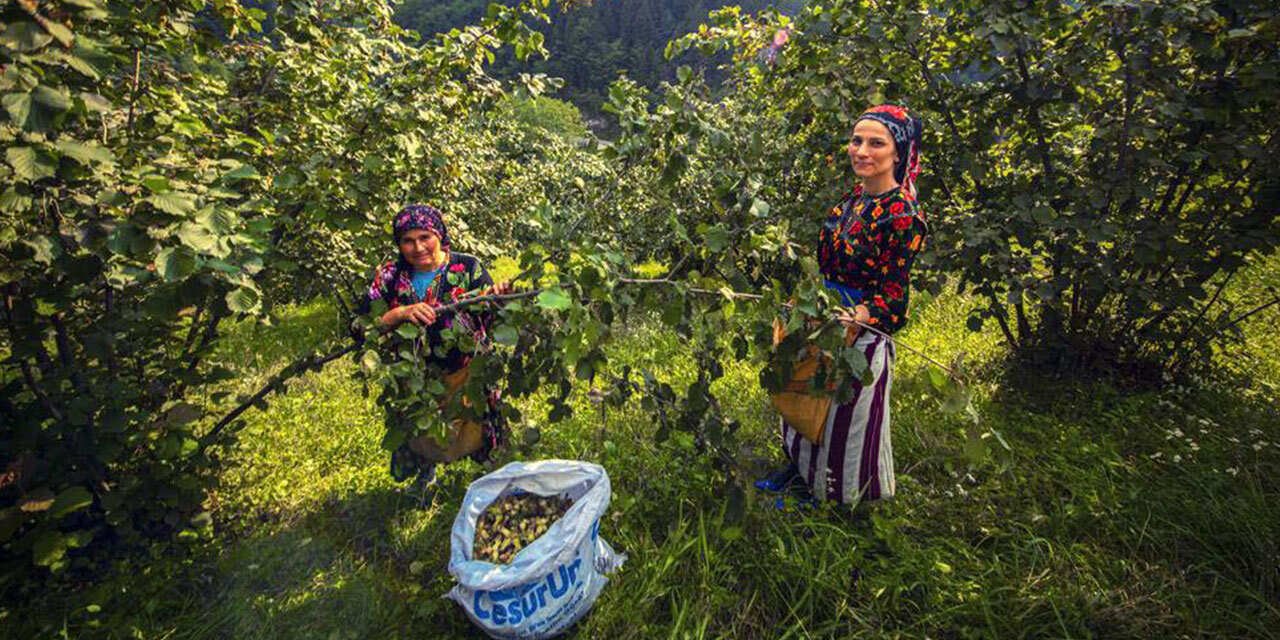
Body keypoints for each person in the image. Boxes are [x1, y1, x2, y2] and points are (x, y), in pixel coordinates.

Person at [756, 104, 928, 507]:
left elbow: (894, 296)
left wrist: (858, 316)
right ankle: (800, 475)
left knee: (843, 419)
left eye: (876, 143)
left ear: (898, 153)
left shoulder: (902, 215)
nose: (861, 150)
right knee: (804, 400)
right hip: (824, 317)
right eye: (856, 140)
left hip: (860, 331)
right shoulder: (852, 200)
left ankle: (835, 498)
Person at [354, 204, 510, 488]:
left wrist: (499, 299)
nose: (418, 247)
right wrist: (399, 314)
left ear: (439, 234)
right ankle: (426, 476)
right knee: (421, 431)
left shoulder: (467, 268)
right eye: (408, 241)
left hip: (465, 371)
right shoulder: (390, 276)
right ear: (399, 244)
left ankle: (490, 482)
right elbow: (361, 328)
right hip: (415, 376)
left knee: (475, 426)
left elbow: (491, 316)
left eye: (425, 237)